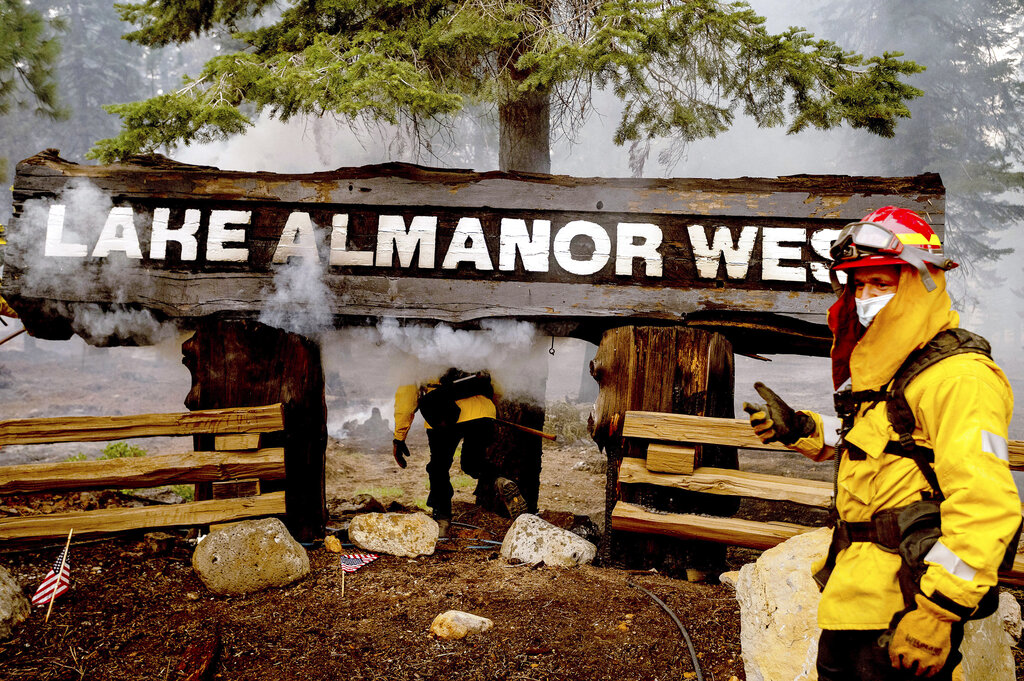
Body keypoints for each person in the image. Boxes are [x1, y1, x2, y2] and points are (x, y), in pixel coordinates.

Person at [743, 206, 1020, 680]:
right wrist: (802, 430)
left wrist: (937, 614)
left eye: (881, 283)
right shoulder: (893, 371)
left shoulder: (960, 378)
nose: (866, 298)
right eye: (859, 285)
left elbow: (987, 504)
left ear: (920, 283)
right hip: (853, 597)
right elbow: (888, 450)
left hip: (906, 608)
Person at [392, 367, 527, 537]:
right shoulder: (475, 349)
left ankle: (442, 519)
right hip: (482, 411)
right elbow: (496, 385)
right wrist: (489, 409)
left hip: (443, 413)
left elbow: (406, 399)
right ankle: (500, 481)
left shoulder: (418, 355)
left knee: (439, 467)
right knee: (473, 462)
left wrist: (399, 437)